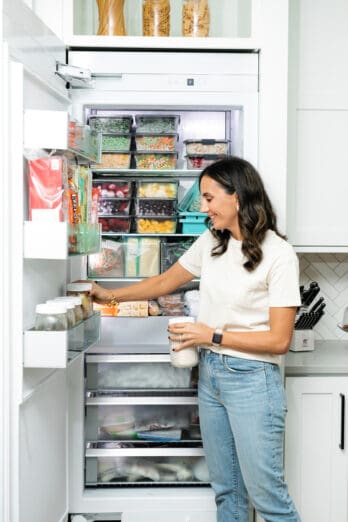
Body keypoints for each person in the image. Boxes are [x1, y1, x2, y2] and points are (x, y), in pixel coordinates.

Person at [87, 156, 301, 522]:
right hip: (212, 375)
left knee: (269, 499)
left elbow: (279, 340)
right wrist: (108, 295)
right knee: (228, 492)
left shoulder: (279, 254)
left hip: (253, 381)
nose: (203, 208)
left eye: (209, 198)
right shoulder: (212, 242)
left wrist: (210, 334)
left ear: (238, 197)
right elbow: (164, 282)